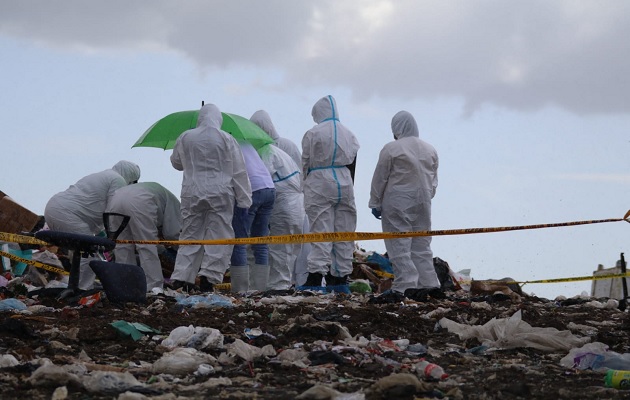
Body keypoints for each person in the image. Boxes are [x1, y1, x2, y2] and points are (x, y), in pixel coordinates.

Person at [169, 103, 252, 292]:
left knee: (190, 235)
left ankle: (182, 278)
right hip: (221, 192)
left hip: (192, 191)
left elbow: (176, 164)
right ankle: (209, 277)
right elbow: (238, 171)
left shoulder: (185, 137)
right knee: (219, 235)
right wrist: (244, 199)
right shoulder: (227, 138)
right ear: (218, 119)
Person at [368, 111, 442, 302]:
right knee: (422, 244)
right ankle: (429, 284)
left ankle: (405, 285)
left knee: (399, 244)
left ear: (397, 128)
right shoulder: (430, 149)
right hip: (424, 201)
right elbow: (434, 180)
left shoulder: (392, 148)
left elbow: (380, 177)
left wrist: (375, 202)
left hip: (397, 201)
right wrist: (426, 195)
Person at [44, 160, 141, 290]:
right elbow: (114, 210)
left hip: (55, 208)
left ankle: (76, 286)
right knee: (89, 252)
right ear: (131, 175)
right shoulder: (118, 180)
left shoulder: (104, 175)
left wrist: (102, 235)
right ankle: (82, 289)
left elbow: (94, 206)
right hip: (67, 213)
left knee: (84, 250)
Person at [300, 95, 360, 291]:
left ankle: (315, 279)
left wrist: (304, 184)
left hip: (319, 181)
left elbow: (306, 161)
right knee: (344, 231)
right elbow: (353, 162)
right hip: (345, 180)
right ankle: (341, 279)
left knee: (321, 231)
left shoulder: (313, 133)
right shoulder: (349, 134)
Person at [250, 111, 305, 291]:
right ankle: (278, 284)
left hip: (284, 204)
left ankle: (279, 287)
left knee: (280, 248)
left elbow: (259, 181)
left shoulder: (267, 151)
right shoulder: (276, 150)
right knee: (285, 248)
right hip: (292, 204)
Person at [105, 182, 181, 291]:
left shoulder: (162, 194)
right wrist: (180, 251)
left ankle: (126, 287)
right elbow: (173, 234)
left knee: (122, 246)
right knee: (146, 245)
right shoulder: (175, 204)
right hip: (140, 201)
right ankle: (154, 287)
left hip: (115, 200)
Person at [230, 141, 275, 292]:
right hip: (269, 188)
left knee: (239, 241)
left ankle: (240, 290)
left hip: (252, 189)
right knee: (260, 241)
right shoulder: (247, 143)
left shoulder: (228, 144)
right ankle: (260, 290)